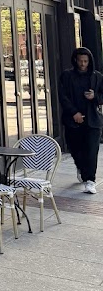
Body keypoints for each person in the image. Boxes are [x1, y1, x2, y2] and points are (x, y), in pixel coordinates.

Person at [58, 46, 103, 194]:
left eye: (85, 61)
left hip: (93, 120)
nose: (83, 64)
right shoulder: (67, 76)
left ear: (89, 61)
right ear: (75, 60)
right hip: (73, 120)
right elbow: (63, 96)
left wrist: (95, 97)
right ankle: (81, 167)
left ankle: (90, 181)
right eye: (80, 61)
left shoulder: (97, 77)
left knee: (91, 150)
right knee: (75, 149)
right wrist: (74, 113)